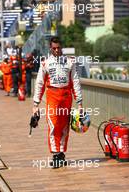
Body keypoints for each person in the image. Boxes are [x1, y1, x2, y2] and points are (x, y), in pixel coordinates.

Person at [33, 36, 83, 168]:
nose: (56, 50)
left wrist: (80, 102)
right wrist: (35, 104)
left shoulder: (70, 62)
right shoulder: (45, 63)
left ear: (62, 47)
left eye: (58, 48)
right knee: (54, 124)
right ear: (50, 48)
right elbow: (39, 83)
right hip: (52, 96)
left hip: (67, 96)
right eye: (54, 48)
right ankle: (55, 154)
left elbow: (75, 81)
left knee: (65, 126)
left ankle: (61, 153)